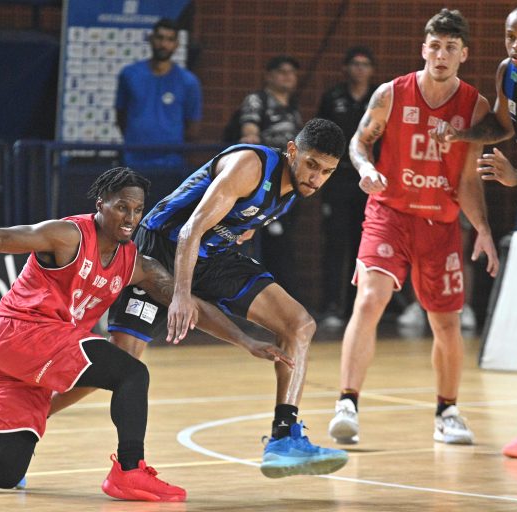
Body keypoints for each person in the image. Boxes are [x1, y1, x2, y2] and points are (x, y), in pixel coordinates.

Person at [0, 167, 293, 501]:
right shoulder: (68, 235)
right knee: (131, 373)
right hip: (23, 333)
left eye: (137, 210)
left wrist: (246, 340)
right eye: (121, 207)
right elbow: (8, 237)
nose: (130, 217)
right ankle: (129, 470)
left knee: (5, 470)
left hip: (16, 355)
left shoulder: (135, 262)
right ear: (101, 204)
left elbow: (191, 305)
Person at [52, 118, 351, 478]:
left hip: (212, 256)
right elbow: (191, 229)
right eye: (311, 165)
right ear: (292, 151)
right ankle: (27, 417)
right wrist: (180, 294)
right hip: (160, 250)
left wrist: (239, 235)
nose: (316, 178)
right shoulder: (250, 166)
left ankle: (284, 437)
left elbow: (239, 224)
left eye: (326, 172)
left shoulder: (291, 191)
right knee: (121, 363)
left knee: (299, 324)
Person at [327, 9, 499, 447]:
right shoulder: (391, 93)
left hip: (440, 224)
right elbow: (359, 141)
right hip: (390, 214)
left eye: (450, 48)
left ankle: (447, 411)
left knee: (447, 323)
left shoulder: (475, 106)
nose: (441, 55)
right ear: (424, 49)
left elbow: (468, 179)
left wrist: (482, 228)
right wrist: (365, 167)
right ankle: (347, 403)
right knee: (371, 299)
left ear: (463, 54)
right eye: (435, 46)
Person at [430, 3, 517, 458]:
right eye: (510, 37)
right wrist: (460, 135)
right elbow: (500, 125)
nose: (516, 46)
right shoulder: (508, 74)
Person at [233, 55, 305, 298]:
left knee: (283, 241)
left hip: (289, 183)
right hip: (264, 180)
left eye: (292, 72)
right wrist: (251, 138)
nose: (288, 76)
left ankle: (279, 298)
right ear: (269, 76)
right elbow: (249, 131)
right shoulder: (258, 99)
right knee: (261, 241)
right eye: (282, 71)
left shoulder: (292, 107)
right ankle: (258, 296)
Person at [316, 46, 377, 328]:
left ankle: (356, 305)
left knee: (362, 243)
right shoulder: (333, 97)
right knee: (334, 242)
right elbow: (320, 135)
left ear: (371, 70)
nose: (359, 69)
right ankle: (331, 305)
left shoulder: (378, 97)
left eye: (365, 64)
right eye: (354, 63)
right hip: (337, 178)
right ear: (346, 68)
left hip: (367, 178)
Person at [116, 18, 202, 170]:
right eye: (160, 38)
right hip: (133, 161)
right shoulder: (129, 74)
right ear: (151, 39)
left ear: (176, 45)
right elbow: (121, 115)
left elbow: (192, 126)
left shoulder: (188, 81)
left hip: (171, 164)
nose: (163, 44)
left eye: (170, 40)